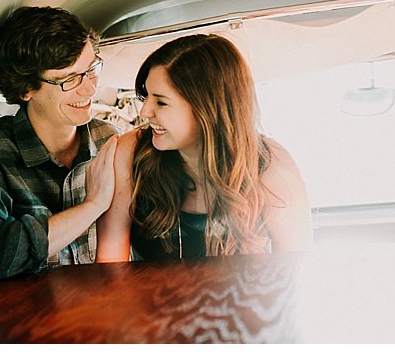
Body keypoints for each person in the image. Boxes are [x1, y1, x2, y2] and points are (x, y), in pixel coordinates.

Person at [95, 34, 312, 262]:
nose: (144, 112)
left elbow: (294, 274)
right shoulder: (131, 152)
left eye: (161, 102)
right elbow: (110, 267)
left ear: (206, 110)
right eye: (146, 96)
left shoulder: (272, 168)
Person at [0, 6, 119, 282]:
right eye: (69, 79)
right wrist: (92, 205)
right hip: (27, 318)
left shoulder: (109, 140)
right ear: (25, 89)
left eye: (91, 70)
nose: (89, 89)